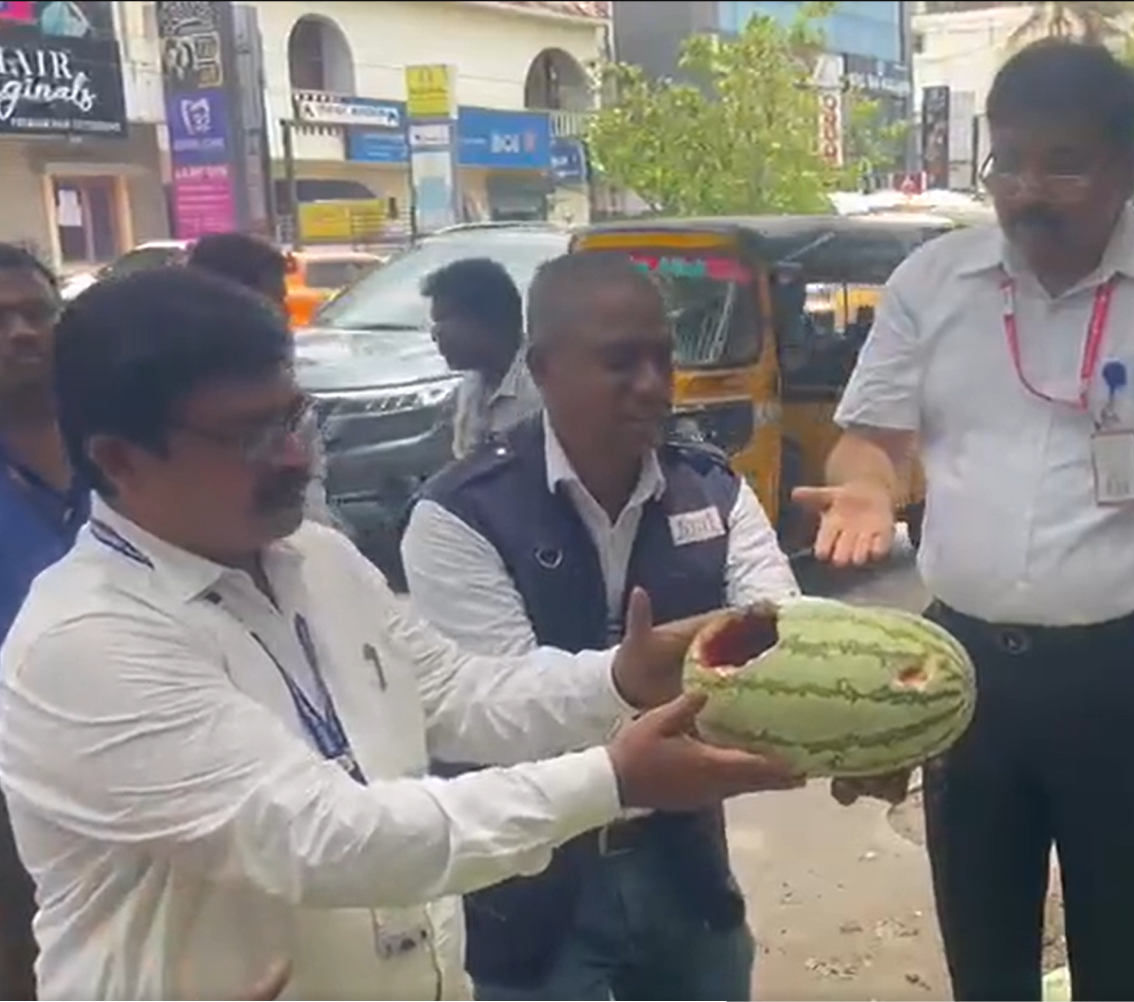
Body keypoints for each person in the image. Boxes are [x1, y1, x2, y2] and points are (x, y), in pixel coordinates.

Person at [0, 267, 802, 1000]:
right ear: (120, 458)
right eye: (248, 436)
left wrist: (620, 681)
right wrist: (612, 781)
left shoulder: (316, 561)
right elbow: (327, 839)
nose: (293, 457)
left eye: (294, 417)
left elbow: (457, 694)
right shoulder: (84, 641)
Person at [797, 39, 1134, 1001]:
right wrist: (867, 484)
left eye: (1063, 164)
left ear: (1129, 168)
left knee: (1127, 948)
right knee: (984, 950)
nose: (1029, 190)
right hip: (962, 672)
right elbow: (869, 437)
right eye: (1010, 162)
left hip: (1126, 672)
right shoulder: (934, 283)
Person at [402, 253, 800, 1000]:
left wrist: (859, 732)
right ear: (545, 367)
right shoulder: (459, 514)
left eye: (662, 357)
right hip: (532, 886)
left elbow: (782, 648)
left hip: (684, 870)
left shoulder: (712, 489)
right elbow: (492, 712)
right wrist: (627, 677)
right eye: (620, 362)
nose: (652, 385)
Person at [0, 242, 79, 1002]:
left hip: (137, 746)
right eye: (0, 320)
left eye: (37, 314)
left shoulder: (120, 449)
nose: (23, 332)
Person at [185, 232, 338, 530]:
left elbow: (312, 490)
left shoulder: (276, 366)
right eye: (273, 301)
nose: (283, 314)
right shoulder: (179, 385)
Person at [422, 257, 542, 458]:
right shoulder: (472, 384)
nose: (436, 334)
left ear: (486, 320)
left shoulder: (542, 388)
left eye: (443, 321)